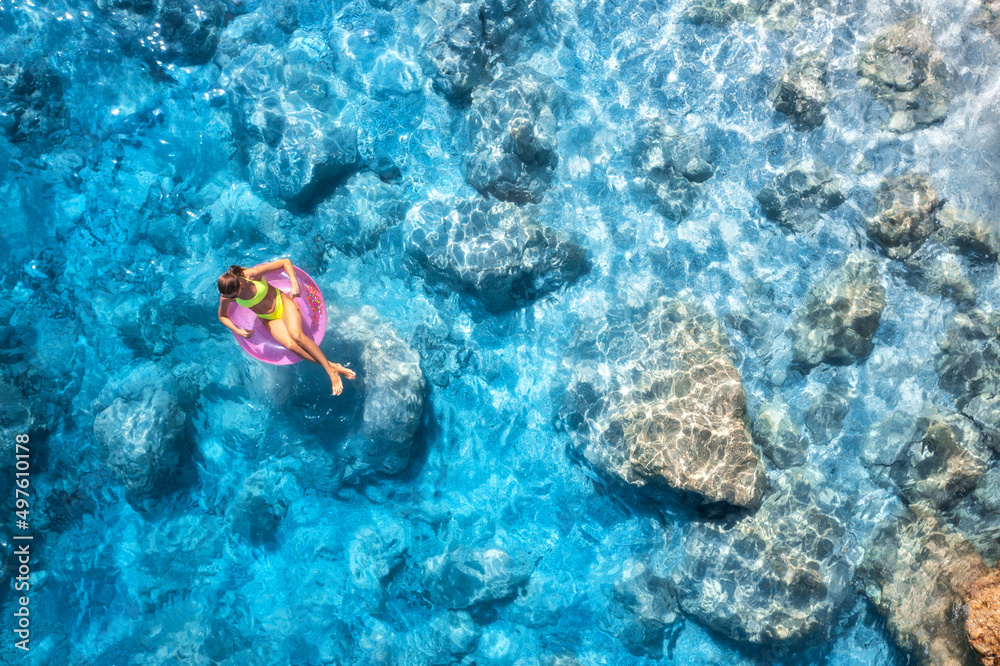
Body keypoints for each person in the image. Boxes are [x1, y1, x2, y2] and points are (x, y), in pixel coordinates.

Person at [217, 259, 355, 395]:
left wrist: (294, 284)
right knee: (291, 345)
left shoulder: (253, 275)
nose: (229, 299)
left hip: (282, 303)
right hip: (268, 319)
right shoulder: (228, 296)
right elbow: (222, 315)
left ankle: (331, 372)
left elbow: (285, 262)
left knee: (297, 336)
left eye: (232, 296)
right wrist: (237, 330)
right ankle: (334, 366)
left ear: (240, 283)